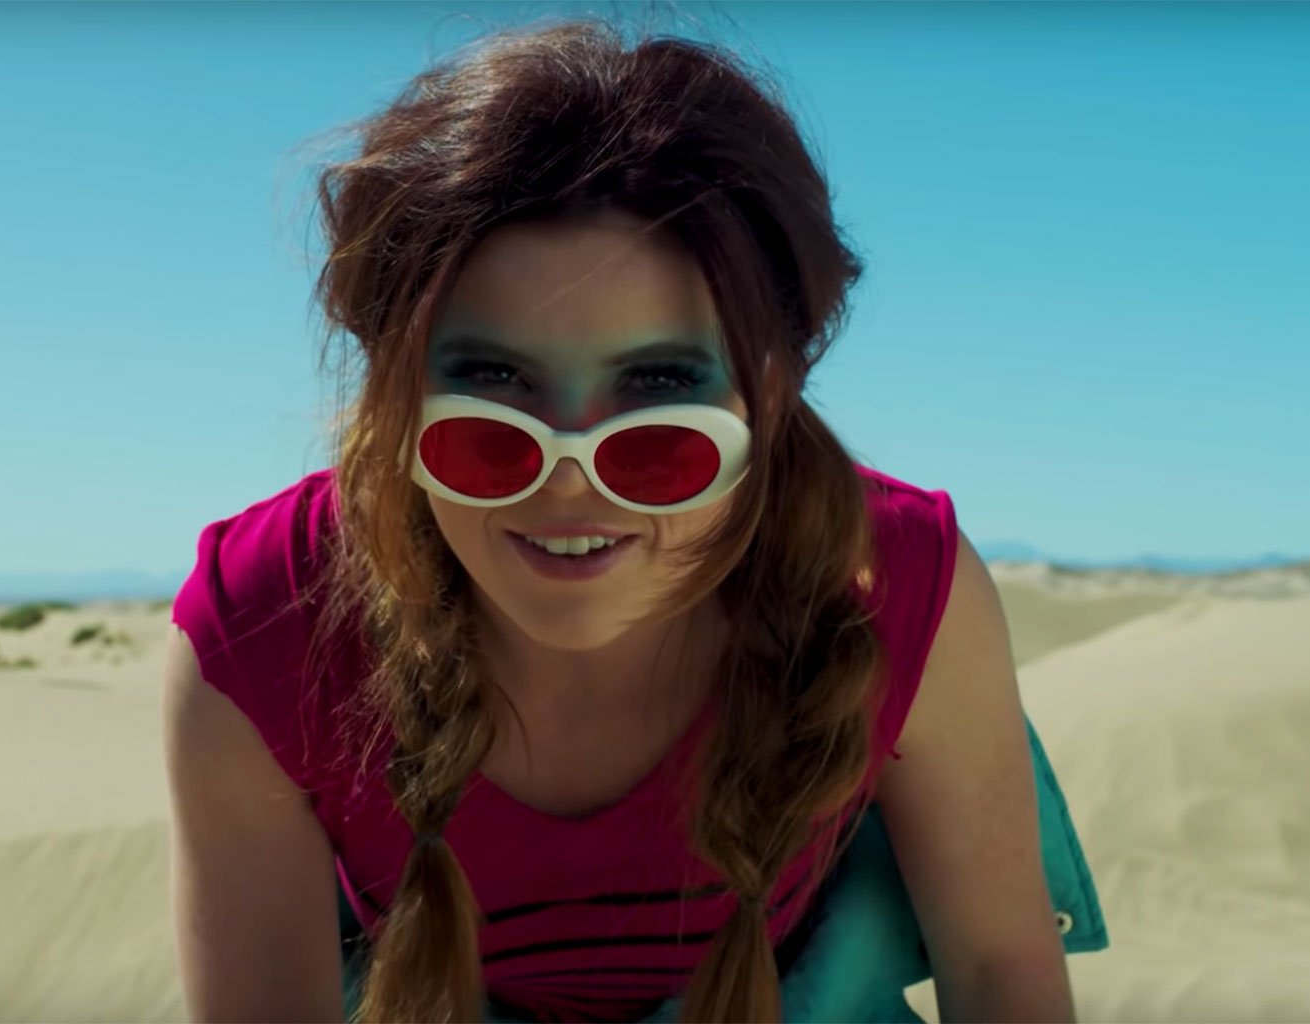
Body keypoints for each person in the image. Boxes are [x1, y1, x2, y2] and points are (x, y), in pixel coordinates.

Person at [165, 21, 1103, 1023]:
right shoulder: (265, 621)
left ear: (770, 398)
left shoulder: (892, 583)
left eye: (657, 402)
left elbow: (1000, 972)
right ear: (395, 399)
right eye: (494, 393)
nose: (570, 484)